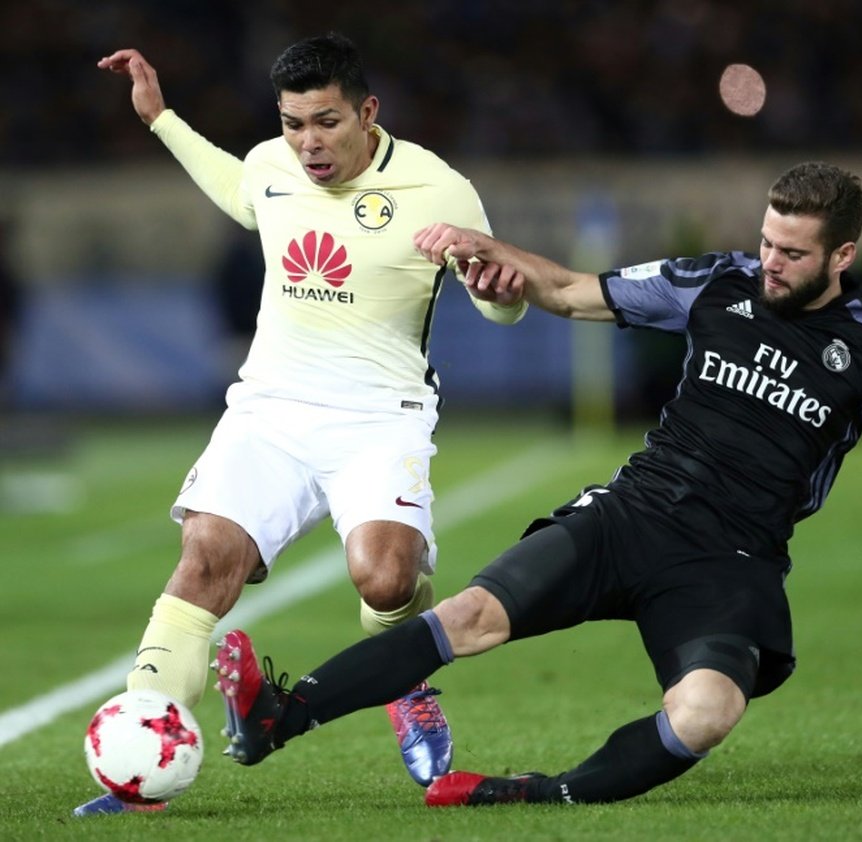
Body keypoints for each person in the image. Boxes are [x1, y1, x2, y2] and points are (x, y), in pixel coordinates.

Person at [210, 161, 862, 806]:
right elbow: (569, 290)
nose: (770, 263)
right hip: (632, 515)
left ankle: (527, 792)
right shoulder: (717, 283)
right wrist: (488, 252)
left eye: (792, 253)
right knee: (468, 617)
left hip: (731, 561)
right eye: (766, 242)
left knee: (707, 714)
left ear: (843, 254)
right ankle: (276, 716)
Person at [76, 33, 527, 817]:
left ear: (367, 112)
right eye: (293, 124)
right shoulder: (272, 164)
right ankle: (138, 769)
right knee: (205, 560)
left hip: (382, 416)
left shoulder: (439, 188)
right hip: (272, 409)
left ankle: (407, 679)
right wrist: (161, 119)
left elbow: (496, 299)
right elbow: (238, 188)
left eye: (325, 122)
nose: (308, 143)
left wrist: (501, 288)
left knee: (385, 578)